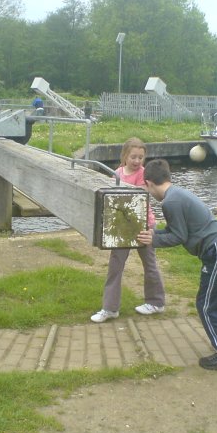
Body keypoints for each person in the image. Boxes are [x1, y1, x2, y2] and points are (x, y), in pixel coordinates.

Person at [137, 159, 217, 370]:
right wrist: (153, 233)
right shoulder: (177, 193)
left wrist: (153, 240)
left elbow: (179, 237)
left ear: (149, 183)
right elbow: (180, 231)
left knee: (206, 305)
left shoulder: (170, 202)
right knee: (215, 301)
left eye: (146, 187)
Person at [91, 138, 166, 323]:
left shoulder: (144, 174)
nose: (137, 161)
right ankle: (110, 308)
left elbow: (139, 195)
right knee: (115, 266)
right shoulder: (116, 173)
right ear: (125, 156)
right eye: (133, 157)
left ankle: (156, 302)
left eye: (141, 157)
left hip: (143, 225)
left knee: (150, 264)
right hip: (122, 226)